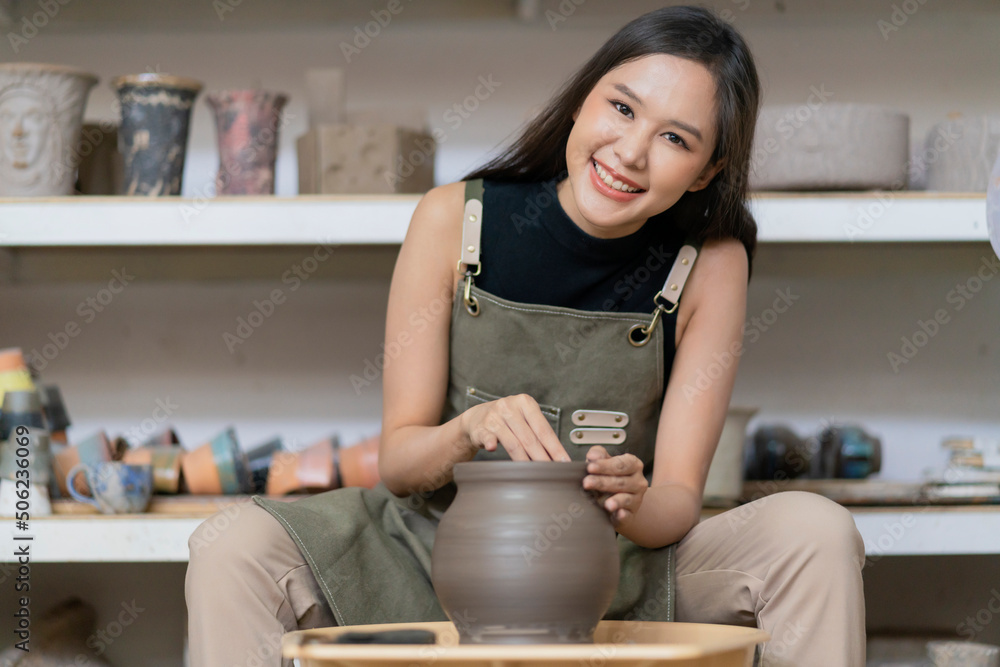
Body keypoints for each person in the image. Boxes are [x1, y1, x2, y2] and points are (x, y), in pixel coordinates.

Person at [185, 6, 866, 666]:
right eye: (622, 108)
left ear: (708, 170)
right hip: (434, 551)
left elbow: (677, 499)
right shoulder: (454, 218)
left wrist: (633, 499)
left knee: (814, 532)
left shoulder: (711, 264)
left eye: (676, 139)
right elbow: (398, 461)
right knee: (232, 545)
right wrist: (467, 430)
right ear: (581, 102)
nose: (630, 152)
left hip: (615, 566)